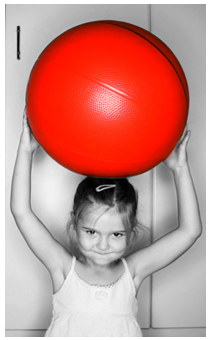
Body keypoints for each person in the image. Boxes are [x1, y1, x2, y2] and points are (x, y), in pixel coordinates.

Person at [10, 110, 202, 337]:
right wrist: (25, 150)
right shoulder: (63, 269)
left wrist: (180, 169)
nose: (103, 245)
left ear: (131, 232)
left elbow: (190, 231)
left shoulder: (132, 273)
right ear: (74, 224)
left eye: (117, 234)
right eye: (91, 231)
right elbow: (21, 212)